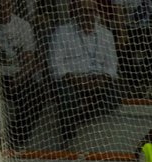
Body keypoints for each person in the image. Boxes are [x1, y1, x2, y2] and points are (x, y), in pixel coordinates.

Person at [49, 0, 119, 146]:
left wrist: (102, 79)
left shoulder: (106, 34)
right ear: (76, 12)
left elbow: (112, 66)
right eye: (84, 11)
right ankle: (68, 137)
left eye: (91, 11)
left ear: (97, 13)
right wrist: (76, 80)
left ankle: (77, 119)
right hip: (71, 79)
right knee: (67, 99)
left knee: (115, 98)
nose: (88, 15)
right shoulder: (62, 31)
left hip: (98, 80)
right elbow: (55, 64)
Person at [0, 0, 43, 149]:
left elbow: (30, 58)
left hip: (15, 77)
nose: (3, 8)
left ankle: (14, 140)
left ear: (13, 5)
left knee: (37, 94)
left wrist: (20, 77)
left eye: (6, 5)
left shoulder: (23, 26)